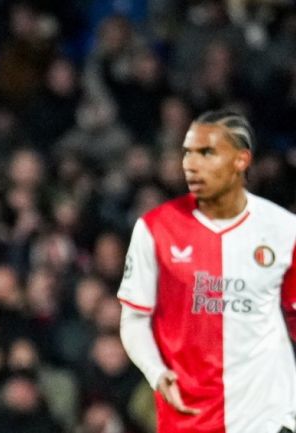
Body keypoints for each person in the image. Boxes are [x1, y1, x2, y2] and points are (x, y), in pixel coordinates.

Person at [118, 110, 296, 433]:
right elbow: (134, 319)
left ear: (241, 160)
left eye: (207, 153)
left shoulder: (284, 230)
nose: (191, 164)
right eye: (188, 152)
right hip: (188, 418)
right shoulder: (155, 230)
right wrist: (156, 372)